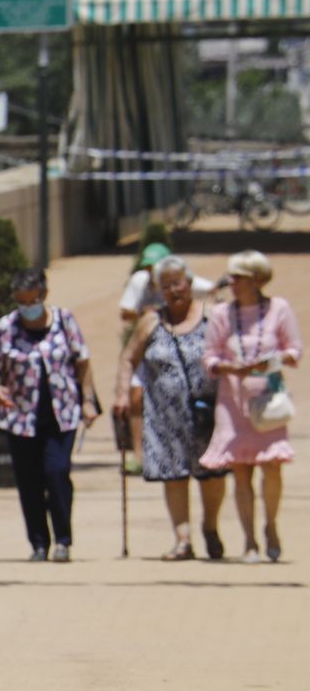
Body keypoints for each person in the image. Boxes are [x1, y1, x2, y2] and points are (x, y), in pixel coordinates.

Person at [113, 256, 227, 560]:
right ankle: (183, 539)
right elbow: (128, 358)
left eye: (178, 283)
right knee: (174, 474)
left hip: (208, 412)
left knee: (212, 474)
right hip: (165, 415)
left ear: (189, 284)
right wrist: (123, 394)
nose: (173, 290)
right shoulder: (151, 321)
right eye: (166, 286)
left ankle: (211, 528)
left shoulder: (212, 315)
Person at [199, 250, 302, 563]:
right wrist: (232, 368)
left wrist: (268, 363)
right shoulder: (220, 314)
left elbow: (294, 350)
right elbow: (209, 357)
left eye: (239, 277)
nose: (233, 283)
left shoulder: (279, 309)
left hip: (268, 402)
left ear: (257, 280)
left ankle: (270, 525)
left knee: (272, 467)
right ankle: (249, 542)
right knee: (240, 471)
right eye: (231, 277)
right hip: (233, 405)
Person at [0, 267, 100, 562]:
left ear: (43, 294)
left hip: (61, 413)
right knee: (29, 481)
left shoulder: (64, 320)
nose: (28, 307)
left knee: (57, 472)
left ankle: (63, 539)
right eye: (21, 301)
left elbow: (82, 360)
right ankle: (39, 543)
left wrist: (88, 400)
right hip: (20, 417)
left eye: (32, 300)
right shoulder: (8, 326)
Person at [118, 241, 218, 473]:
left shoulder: (180, 277)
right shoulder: (140, 282)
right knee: (135, 397)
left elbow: (210, 289)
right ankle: (138, 453)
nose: (150, 271)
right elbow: (125, 312)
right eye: (148, 267)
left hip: (184, 350)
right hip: (153, 347)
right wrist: (149, 312)